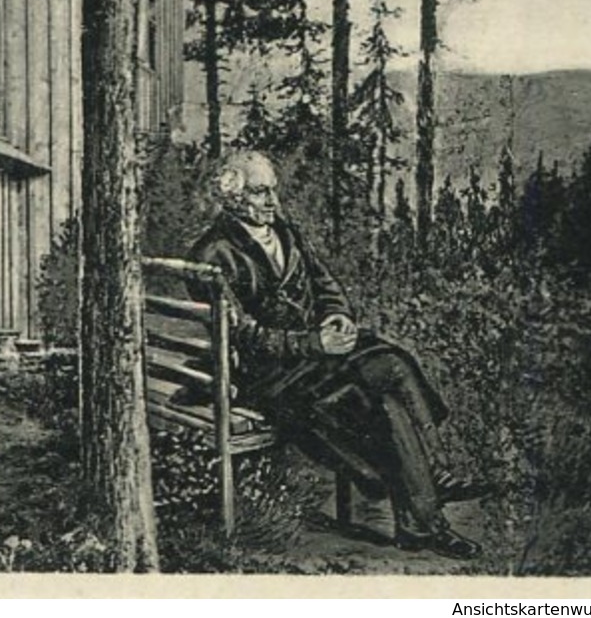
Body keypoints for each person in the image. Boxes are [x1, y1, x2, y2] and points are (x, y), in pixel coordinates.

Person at [186, 149, 488, 560]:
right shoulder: (210, 255)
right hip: (272, 379)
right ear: (233, 197)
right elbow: (247, 338)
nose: (272, 201)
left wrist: (338, 318)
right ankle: (426, 510)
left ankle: (429, 489)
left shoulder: (286, 232)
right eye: (260, 193)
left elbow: (326, 285)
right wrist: (316, 344)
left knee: (394, 364)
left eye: (273, 190)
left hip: (317, 357)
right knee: (382, 406)